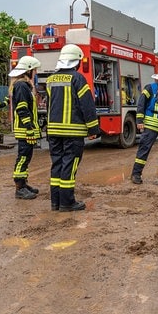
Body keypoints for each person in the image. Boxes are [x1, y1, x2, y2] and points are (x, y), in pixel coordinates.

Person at [46, 44, 100, 212]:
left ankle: (55, 202)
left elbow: (49, 105)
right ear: (76, 62)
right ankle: (67, 203)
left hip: (53, 131)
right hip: (73, 132)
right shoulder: (77, 78)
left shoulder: (50, 79)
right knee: (69, 165)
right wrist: (93, 129)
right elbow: (87, 105)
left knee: (56, 165)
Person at [8, 55, 42, 200]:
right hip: (24, 129)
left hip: (25, 129)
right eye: (34, 70)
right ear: (28, 71)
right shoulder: (22, 86)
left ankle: (24, 183)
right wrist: (28, 127)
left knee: (26, 157)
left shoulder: (22, 85)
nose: (35, 73)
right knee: (22, 157)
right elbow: (22, 109)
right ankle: (19, 188)